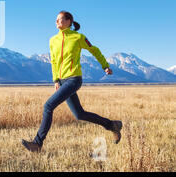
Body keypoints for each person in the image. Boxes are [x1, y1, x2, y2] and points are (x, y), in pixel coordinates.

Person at [21, 11, 122, 152]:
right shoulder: (52, 40)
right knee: (79, 114)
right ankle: (112, 125)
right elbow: (54, 61)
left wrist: (105, 65)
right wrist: (56, 79)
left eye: (60, 19)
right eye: (55, 20)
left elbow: (95, 50)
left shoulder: (78, 37)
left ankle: (37, 143)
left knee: (48, 106)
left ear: (69, 21)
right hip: (62, 81)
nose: (56, 22)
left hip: (74, 79)